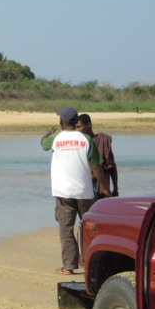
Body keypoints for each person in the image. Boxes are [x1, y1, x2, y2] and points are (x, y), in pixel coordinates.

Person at [41, 106, 110, 275]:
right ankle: (91, 265)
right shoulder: (87, 139)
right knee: (88, 229)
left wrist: (47, 134)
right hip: (85, 192)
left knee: (66, 229)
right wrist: (106, 190)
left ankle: (69, 266)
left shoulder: (55, 138)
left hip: (63, 192)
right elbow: (96, 167)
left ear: (61, 122)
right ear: (76, 121)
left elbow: (43, 144)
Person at [76, 113, 119, 198]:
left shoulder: (103, 140)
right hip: (85, 185)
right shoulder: (78, 143)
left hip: (102, 185)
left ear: (88, 124)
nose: (77, 130)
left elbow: (111, 167)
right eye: (76, 127)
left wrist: (115, 188)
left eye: (79, 127)